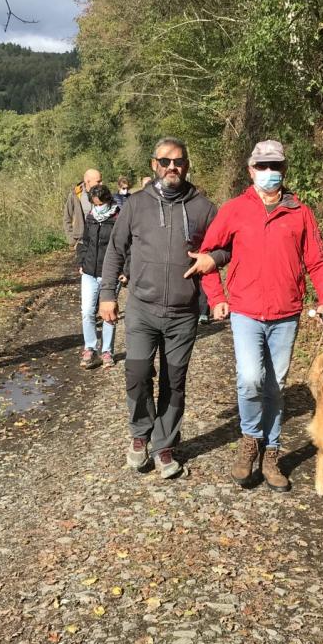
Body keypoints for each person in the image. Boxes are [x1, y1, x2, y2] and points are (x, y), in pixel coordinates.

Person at [191, 139, 323, 492]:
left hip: (286, 313)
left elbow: (318, 260)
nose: (269, 173)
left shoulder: (300, 212)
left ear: (284, 169)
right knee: (251, 378)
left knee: (275, 385)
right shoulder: (235, 210)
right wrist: (216, 298)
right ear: (250, 170)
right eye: (262, 167)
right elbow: (207, 255)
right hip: (245, 310)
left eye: (276, 166)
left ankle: (271, 452)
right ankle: (250, 439)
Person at [99, 137, 227, 479]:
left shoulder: (203, 208)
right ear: (154, 164)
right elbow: (115, 250)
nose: (173, 167)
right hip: (141, 309)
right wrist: (107, 295)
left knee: (175, 381)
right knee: (137, 375)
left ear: (187, 165)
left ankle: (164, 444)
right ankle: (141, 435)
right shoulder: (137, 204)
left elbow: (226, 247)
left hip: (183, 314)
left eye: (179, 162)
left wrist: (211, 258)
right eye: (166, 161)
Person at [77, 184, 123, 369]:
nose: (98, 207)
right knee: (87, 312)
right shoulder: (91, 217)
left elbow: (126, 246)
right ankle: (90, 348)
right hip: (89, 271)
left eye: (100, 204)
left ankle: (107, 352)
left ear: (107, 201)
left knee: (108, 313)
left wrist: (124, 271)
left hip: (110, 273)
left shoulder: (119, 217)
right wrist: (81, 262)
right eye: (94, 204)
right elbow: (85, 241)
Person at [64, 168, 102, 247]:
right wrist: (72, 240)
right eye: (98, 181)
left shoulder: (104, 194)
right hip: (82, 243)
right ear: (88, 181)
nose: (101, 184)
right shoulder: (75, 195)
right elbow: (67, 218)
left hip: (100, 242)